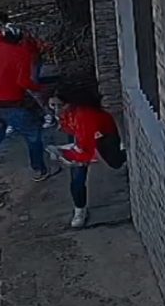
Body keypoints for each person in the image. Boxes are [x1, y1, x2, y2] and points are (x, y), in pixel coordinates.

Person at [0, 23, 58, 182]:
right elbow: (23, 82)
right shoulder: (22, 54)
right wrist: (38, 87)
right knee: (33, 132)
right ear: (19, 39)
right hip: (11, 101)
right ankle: (39, 169)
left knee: (0, 126)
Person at [45, 84, 119, 228]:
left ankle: (123, 152)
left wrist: (68, 155)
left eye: (60, 105)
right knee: (77, 179)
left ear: (71, 103)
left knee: (116, 162)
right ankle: (80, 209)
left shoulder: (85, 115)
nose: (56, 109)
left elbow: (85, 147)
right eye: (53, 105)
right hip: (79, 135)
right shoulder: (66, 112)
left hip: (102, 137)